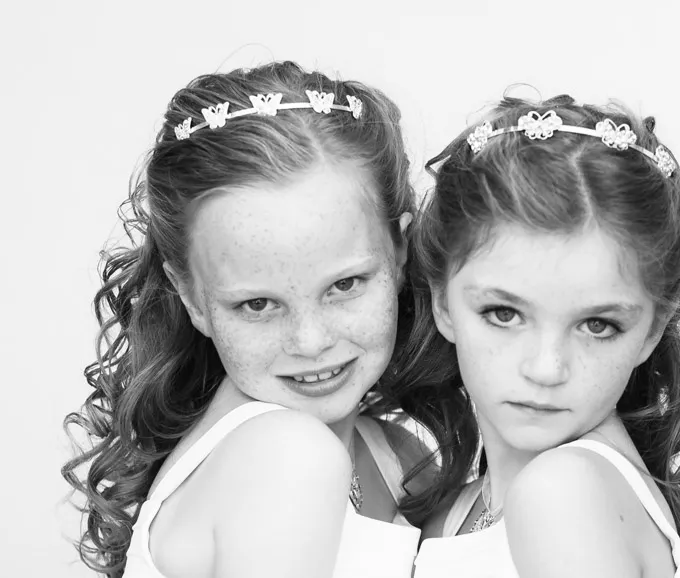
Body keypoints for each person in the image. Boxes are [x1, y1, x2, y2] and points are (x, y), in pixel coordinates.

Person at [62, 60, 478, 578]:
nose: (310, 341)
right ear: (190, 297)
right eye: (257, 305)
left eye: (344, 285)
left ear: (398, 252)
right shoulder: (284, 456)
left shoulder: (394, 451)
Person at [410, 95, 680, 578]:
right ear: (442, 303)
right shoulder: (456, 513)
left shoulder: (564, 493)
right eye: (503, 313)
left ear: (652, 331)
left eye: (597, 325)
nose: (545, 367)